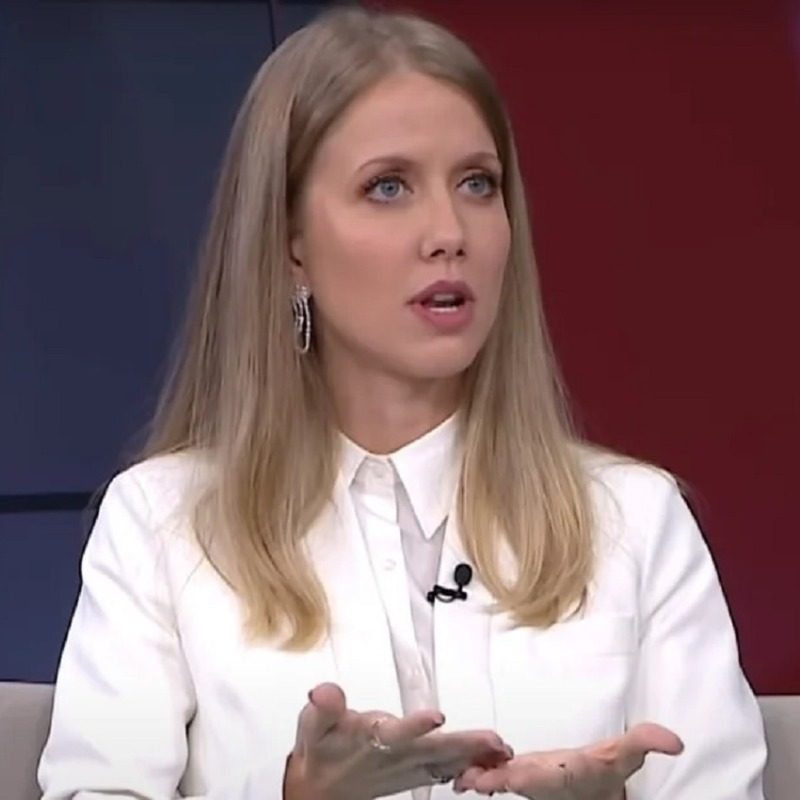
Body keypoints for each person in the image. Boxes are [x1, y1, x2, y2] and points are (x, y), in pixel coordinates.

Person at [37, 5, 767, 799]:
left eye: (478, 184)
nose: (449, 232)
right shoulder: (162, 526)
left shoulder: (635, 522)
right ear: (289, 243)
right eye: (388, 187)